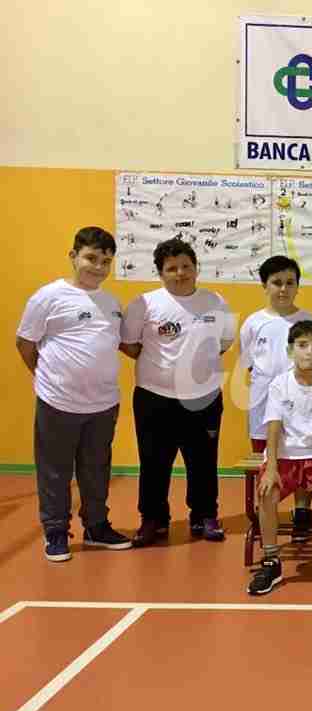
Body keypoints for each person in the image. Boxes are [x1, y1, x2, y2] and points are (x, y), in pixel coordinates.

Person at [15, 226, 131, 561]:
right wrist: (48, 379)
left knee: (96, 470)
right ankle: (55, 532)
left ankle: (96, 527)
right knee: (55, 471)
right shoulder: (48, 297)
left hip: (104, 404)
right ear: (73, 256)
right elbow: (24, 344)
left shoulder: (111, 303)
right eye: (91, 258)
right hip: (57, 402)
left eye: (106, 261)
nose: (98, 267)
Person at [120, 238, 236, 547]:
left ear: (196, 268)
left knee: (203, 460)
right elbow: (130, 344)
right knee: (153, 461)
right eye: (172, 268)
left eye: (186, 266)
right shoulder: (144, 304)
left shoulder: (216, 302)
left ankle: (204, 515)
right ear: (160, 272)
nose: (180, 273)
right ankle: (153, 519)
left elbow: (224, 343)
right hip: (153, 397)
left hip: (203, 398)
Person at [248, 320, 312, 595]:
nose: (310, 352)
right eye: (303, 345)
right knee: (267, 492)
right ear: (290, 351)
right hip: (284, 456)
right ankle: (271, 561)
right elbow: (272, 427)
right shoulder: (279, 384)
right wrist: (270, 467)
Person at [239, 255, 312, 542]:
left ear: (297, 286)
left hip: (303, 408)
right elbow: (249, 364)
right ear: (265, 285)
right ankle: (266, 513)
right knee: (268, 463)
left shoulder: (309, 321)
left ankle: (302, 513)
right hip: (263, 409)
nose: (283, 289)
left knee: (303, 459)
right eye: (276, 283)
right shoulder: (253, 323)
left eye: (289, 283)